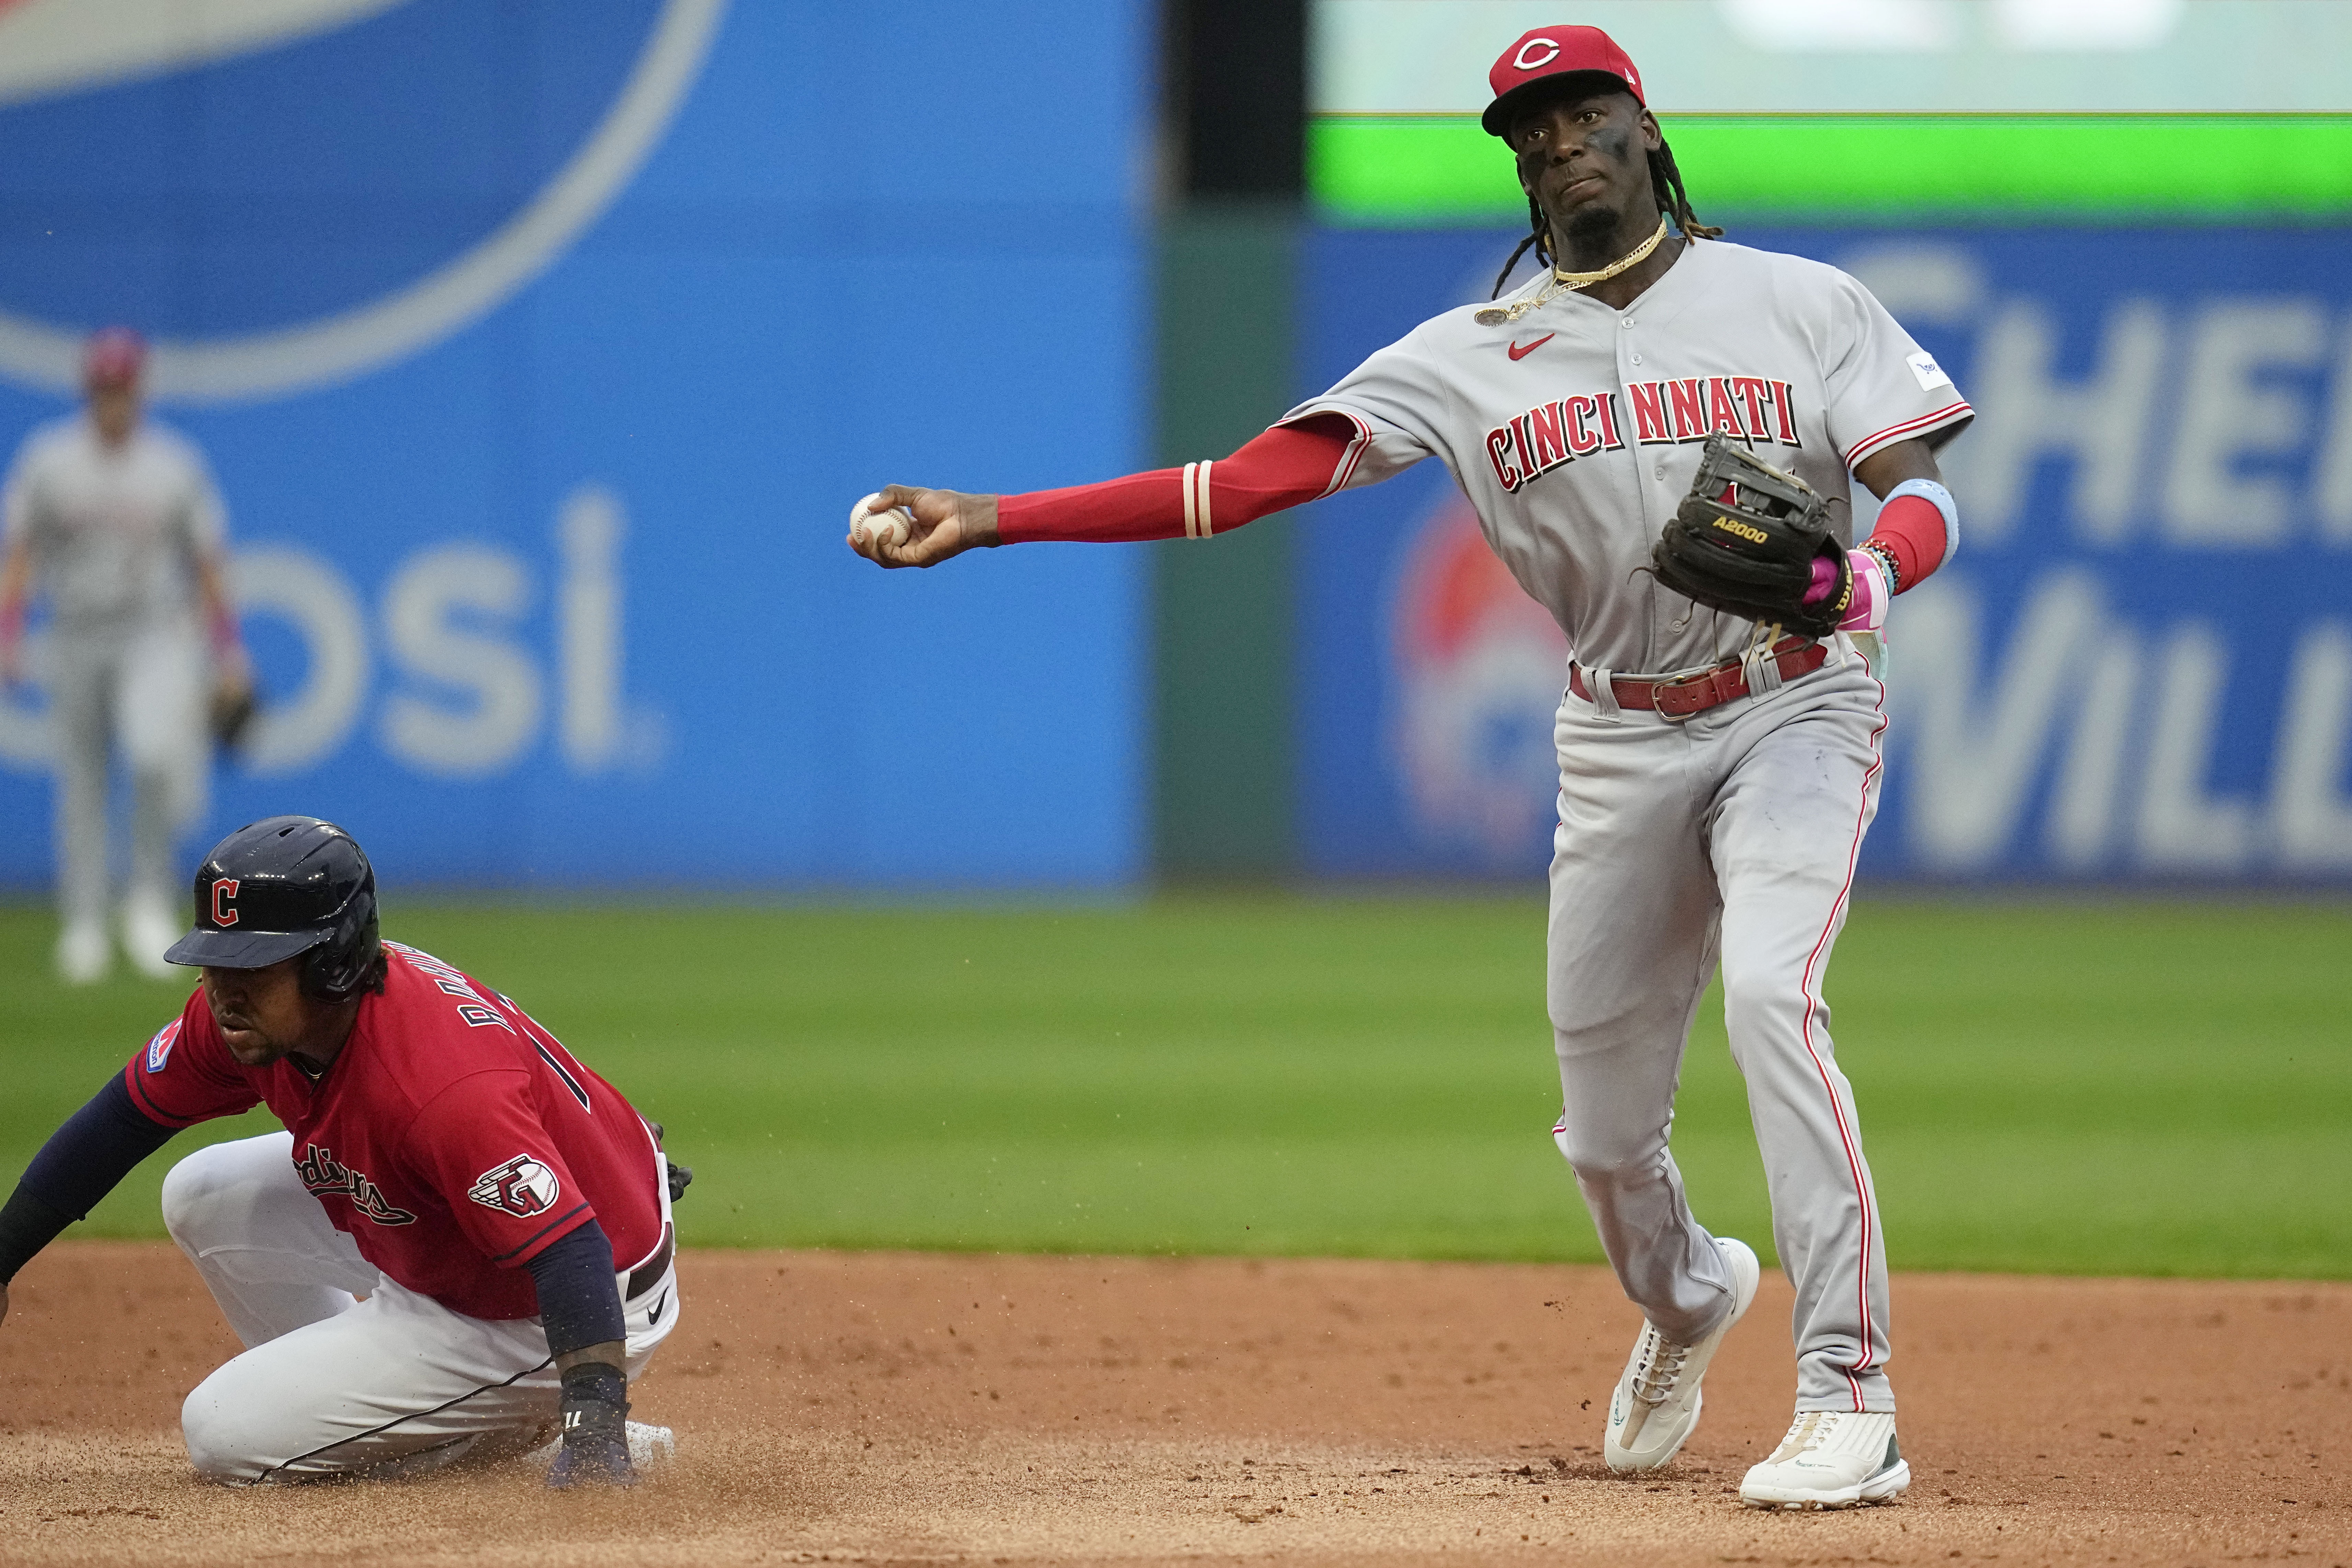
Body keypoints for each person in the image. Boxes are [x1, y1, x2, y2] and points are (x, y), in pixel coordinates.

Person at [842, 24, 1970, 1512]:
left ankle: (1847, 1395)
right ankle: (1690, 1294)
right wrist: (995, 514)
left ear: (1642, 126)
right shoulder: (1463, 356)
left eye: (1579, 111)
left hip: (1793, 702)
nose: (1556, 141)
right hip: (1616, 731)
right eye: (1527, 127)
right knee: (1605, 1134)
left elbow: (1919, 489)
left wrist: (1860, 585)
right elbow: (1237, 484)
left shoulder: (1797, 302)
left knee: (1773, 989)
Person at [0, 816, 685, 1487]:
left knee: (222, 1433)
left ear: (334, 965)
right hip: (452, 1215)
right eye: (213, 963)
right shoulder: (250, 1021)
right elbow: (122, 1118)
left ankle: (481, 1435)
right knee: (200, 1192)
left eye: (253, 968)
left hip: (557, 1299)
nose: (224, 994)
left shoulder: (435, 1084)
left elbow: (570, 1251)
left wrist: (595, 1430)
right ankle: (388, 1404)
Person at [0, 327, 251, 984]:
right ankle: (83, 922)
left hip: (152, 633)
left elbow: (207, 562)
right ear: (90, 390)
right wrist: (9, 634)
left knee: (151, 757)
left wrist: (230, 651)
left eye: (123, 387)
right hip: (77, 630)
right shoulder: (50, 459)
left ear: (138, 390)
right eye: (103, 387)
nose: (113, 399)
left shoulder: (172, 463)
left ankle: (146, 902)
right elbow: (21, 555)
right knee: (81, 780)